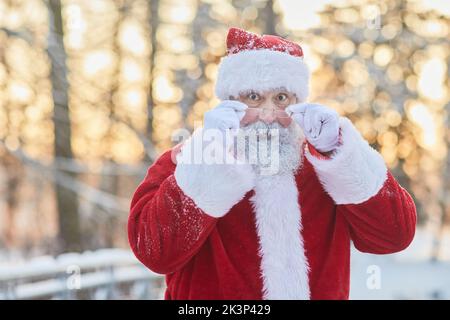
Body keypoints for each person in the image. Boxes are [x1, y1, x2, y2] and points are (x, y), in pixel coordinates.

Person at [128, 27, 416, 300]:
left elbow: (394, 236)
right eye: (253, 97)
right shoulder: (184, 161)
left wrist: (340, 152)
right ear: (229, 101)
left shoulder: (326, 165)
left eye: (280, 98)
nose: (268, 114)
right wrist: (208, 162)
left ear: (297, 101)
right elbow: (154, 251)